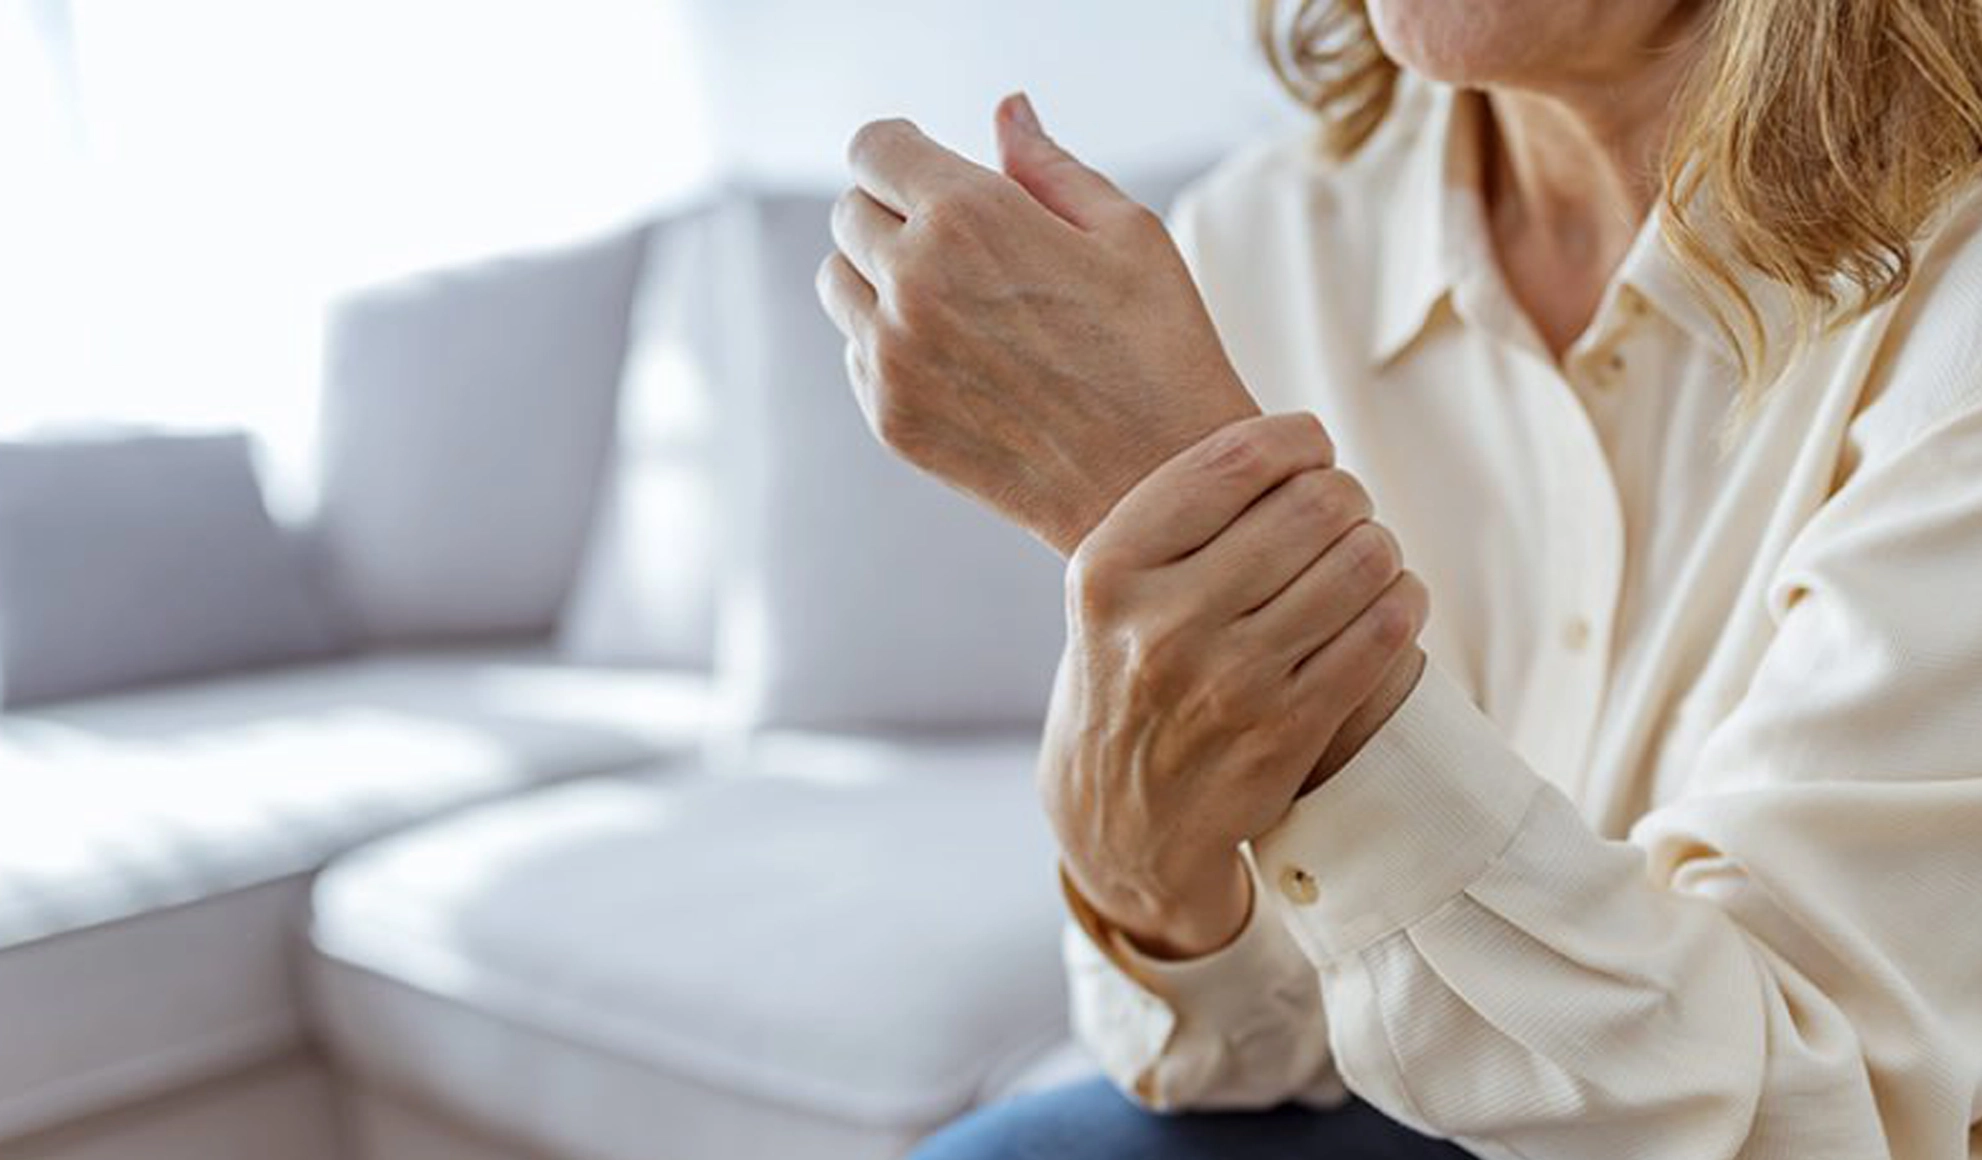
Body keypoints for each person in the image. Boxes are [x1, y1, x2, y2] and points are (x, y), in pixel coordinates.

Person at [814, 0, 1982, 1156]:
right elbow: (1246, 1048)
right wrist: (1132, 863)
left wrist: (1203, 506)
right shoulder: (1269, 234)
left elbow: (1805, 1119)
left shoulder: (1952, 299)